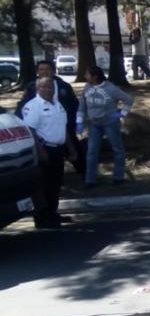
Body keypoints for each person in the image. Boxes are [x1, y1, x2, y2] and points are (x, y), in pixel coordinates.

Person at [17, 59, 83, 176]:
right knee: (46, 163)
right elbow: (22, 106)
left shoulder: (64, 86)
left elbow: (74, 105)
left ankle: (84, 175)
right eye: (41, 70)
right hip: (42, 129)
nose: (44, 72)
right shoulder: (32, 86)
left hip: (64, 125)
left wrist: (75, 122)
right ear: (37, 72)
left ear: (53, 71)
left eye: (47, 69)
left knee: (75, 151)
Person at [21, 77, 69, 228]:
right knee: (44, 185)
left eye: (51, 88)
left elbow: (63, 127)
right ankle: (42, 218)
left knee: (55, 184)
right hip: (44, 149)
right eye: (45, 88)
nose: (49, 90)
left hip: (58, 149)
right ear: (37, 89)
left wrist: (72, 149)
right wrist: (41, 151)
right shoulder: (33, 106)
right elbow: (31, 130)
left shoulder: (57, 104)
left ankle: (53, 214)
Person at [79, 65, 133, 186]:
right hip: (94, 123)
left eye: (87, 74)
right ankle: (90, 179)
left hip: (110, 123)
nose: (85, 76)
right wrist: (79, 120)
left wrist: (121, 113)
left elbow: (128, 99)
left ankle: (118, 177)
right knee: (92, 150)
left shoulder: (111, 88)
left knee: (117, 149)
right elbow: (82, 105)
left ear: (95, 76)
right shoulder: (87, 87)